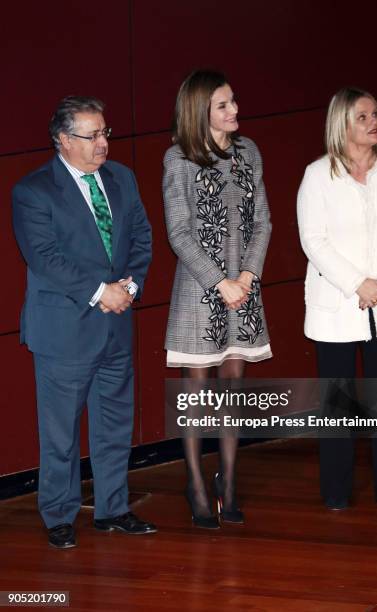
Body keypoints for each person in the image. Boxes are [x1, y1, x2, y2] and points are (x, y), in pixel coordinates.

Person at [12, 96, 156, 548]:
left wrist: (129, 288)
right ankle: (58, 514)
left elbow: (141, 239)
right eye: (91, 135)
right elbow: (45, 258)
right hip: (64, 331)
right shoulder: (33, 191)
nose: (102, 144)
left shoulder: (123, 179)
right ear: (62, 140)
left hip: (115, 326)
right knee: (60, 433)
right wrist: (101, 292)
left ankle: (113, 509)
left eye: (104, 133)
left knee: (114, 425)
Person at [297, 87, 377, 510]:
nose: (374, 122)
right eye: (363, 116)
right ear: (342, 124)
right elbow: (314, 240)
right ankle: (336, 493)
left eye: (376, 114)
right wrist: (356, 284)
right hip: (336, 304)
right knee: (338, 403)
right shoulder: (317, 175)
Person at [163, 70, 272, 528]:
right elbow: (179, 233)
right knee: (196, 395)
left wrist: (246, 275)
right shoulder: (178, 158)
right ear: (200, 112)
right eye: (224, 105)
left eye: (234, 101)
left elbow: (263, 220)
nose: (235, 111)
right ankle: (196, 485)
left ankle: (228, 482)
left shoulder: (249, 152)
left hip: (243, 292)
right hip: (199, 294)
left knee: (233, 390)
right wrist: (219, 282)